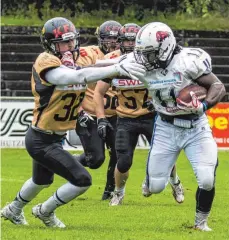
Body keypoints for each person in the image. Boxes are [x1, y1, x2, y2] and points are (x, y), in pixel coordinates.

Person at [0, 17, 145, 228]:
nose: (69, 47)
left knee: (41, 180)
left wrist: (125, 62)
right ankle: (45, 211)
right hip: (41, 139)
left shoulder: (73, 62)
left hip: (53, 137)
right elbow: (79, 76)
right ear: (50, 44)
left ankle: (13, 209)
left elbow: (94, 66)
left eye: (71, 41)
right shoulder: (46, 61)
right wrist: (118, 69)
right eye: (63, 43)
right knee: (83, 180)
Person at [129, 22, 226, 231]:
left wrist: (204, 105)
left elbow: (218, 86)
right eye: (143, 53)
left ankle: (201, 223)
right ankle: (160, 178)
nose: (145, 59)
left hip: (195, 126)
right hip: (166, 126)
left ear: (165, 48)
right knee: (155, 187)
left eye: (151, 53)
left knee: (207, 179)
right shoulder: (141, 63)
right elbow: (109, 70)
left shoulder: (187, 61)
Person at [94, 23, 184, 206]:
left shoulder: (152, 58)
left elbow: (168, 83)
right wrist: (101, 118)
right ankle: (118, 192)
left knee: (164, 155)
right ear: (119, 42)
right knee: (123, 160)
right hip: (125, 118)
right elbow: (98, 92)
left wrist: (158, 100)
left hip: (151, 116)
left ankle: (175, 182)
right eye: (125, 40)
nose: (128, 45)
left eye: (132, 41)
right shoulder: (112, 59)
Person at [75, 20, 122, 200]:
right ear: (100, 39)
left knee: (120, 154)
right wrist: (79, 111)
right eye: (108, 39)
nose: (112, 43)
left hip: (117, 114)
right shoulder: (87, 54)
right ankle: (67, 161)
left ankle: (110, 192)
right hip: (91, 114)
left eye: (116, 39)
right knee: (95, 160)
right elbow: (72, 82)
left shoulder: (127, 55)